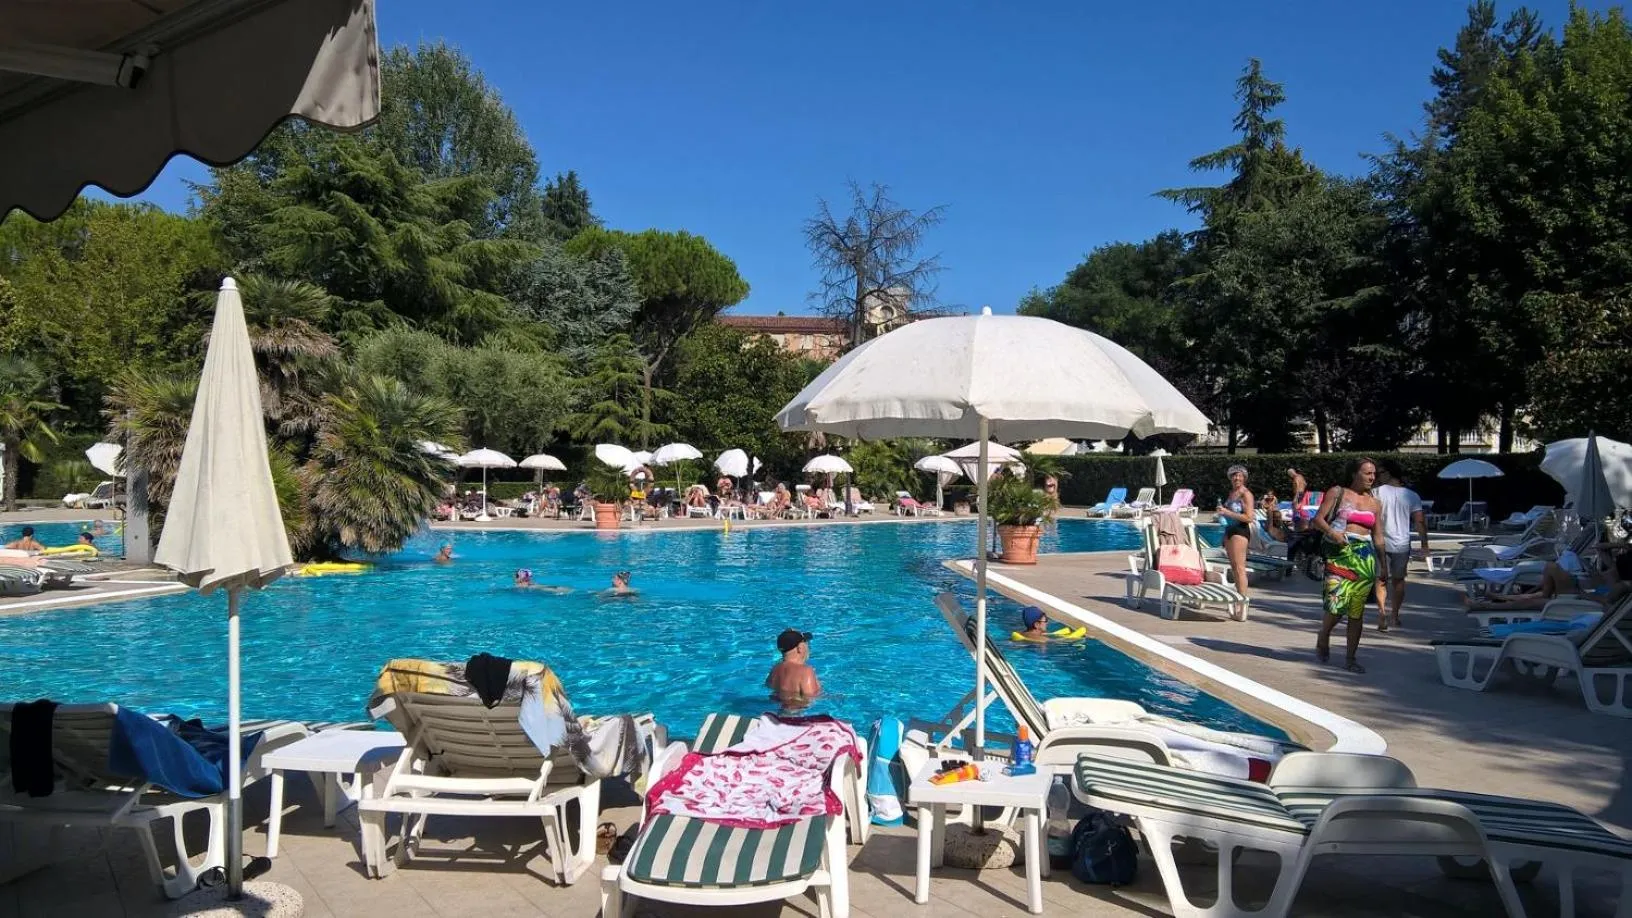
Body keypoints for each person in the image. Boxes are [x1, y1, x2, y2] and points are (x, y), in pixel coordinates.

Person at [1313, 458, 1386, 673]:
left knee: (1356, 612)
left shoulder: (1375, 503)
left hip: (1364, 559)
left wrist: (1384, 565)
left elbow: (1379, 536)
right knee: (1336, 607)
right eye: (1367, 473)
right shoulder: (1338, 493)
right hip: (1339, 555)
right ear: (1355, 474)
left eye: (1373, 474)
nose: (1372, 477)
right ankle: (1324, 633)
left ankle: (1350, 658)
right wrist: (1332, 533)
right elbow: (1318, 519)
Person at [1374, 461, 1429, 631]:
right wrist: (1424, 544)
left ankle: (1382, 612)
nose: (1377, 476)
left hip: (1379, 541)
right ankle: (1394, 615)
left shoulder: (1376, 492)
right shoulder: (1412, 496)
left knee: (1380, 579)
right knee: (1399, 581)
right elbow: (1419, 521)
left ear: (1389, 473)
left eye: (1380, 472)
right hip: (1402, 543)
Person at [1215, 466, 1255, 600]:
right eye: (1234, 476)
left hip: (1240, 531)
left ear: (1244, 478)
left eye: (1239, 476)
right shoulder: (1232, 493)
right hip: (1229, 531)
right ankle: (1238, 598)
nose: (1236, 478)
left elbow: (1249, 517)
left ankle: (1242, 603)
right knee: (1234, 568)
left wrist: (1228, 512)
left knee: (1239, 568)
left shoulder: (1246, 494)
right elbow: (1229, 514)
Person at [766, 629, 821, 707]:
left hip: (778, 714)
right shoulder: (806, 671)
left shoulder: (775, 670)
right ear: (800, 648)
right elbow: (812, 698)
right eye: (806, 643)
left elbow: (770, 690)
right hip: (799, 716)